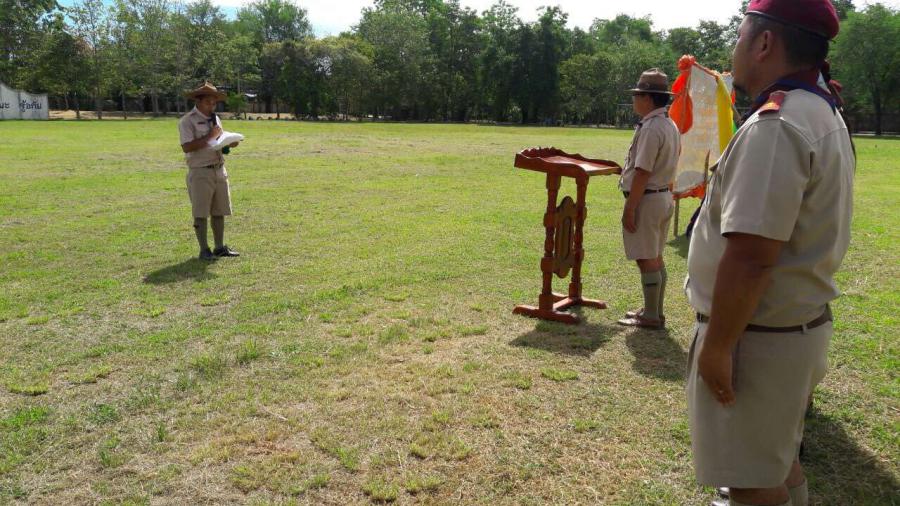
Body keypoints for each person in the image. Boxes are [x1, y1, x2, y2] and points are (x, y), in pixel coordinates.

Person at [684, 1, 855, 505]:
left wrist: (718, 346)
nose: (733, 49)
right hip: (788, 331)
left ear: (764, 43)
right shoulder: (817, 110)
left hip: (756, 339)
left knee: (752, 481)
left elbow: (752, 255)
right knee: (778, 460)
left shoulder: (776, 126)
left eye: (740, 37)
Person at [616, 69, 681, 329]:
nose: (634, 99)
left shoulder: (652, 127)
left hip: (648, 198)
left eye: (637, 95)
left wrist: (630, 208)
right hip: (662, 195)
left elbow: (643, 171)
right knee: (655, 255)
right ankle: (653, 310)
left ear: (648, 98)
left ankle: (651, 316)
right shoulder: (668, 123)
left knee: (646, 258)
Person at [178, 82, 241, 261]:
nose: (211, 106)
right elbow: (187, 147)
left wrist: (229, 143)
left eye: (214, 103)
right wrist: (209, 137)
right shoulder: (187, 121)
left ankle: (219, 247)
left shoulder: (216, 119)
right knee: (201, 212)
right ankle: (204, 250)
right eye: (208, 102)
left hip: (219, 169)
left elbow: (219, 143)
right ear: (198, 101)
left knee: (219, 211)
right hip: (200, 171)